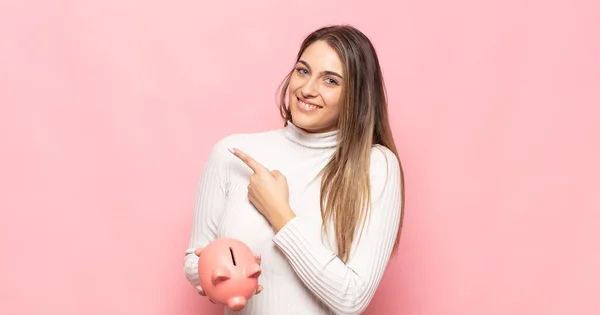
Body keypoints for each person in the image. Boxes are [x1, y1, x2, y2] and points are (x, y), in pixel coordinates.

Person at [183, 24, 405, 315]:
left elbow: (351, 299)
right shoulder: (231, 154)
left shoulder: (376, 165)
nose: (307, 89)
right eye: (303, 71)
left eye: (330, 81)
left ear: (357, 95)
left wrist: (280, 213)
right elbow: (194, 259)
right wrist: (219, 274)